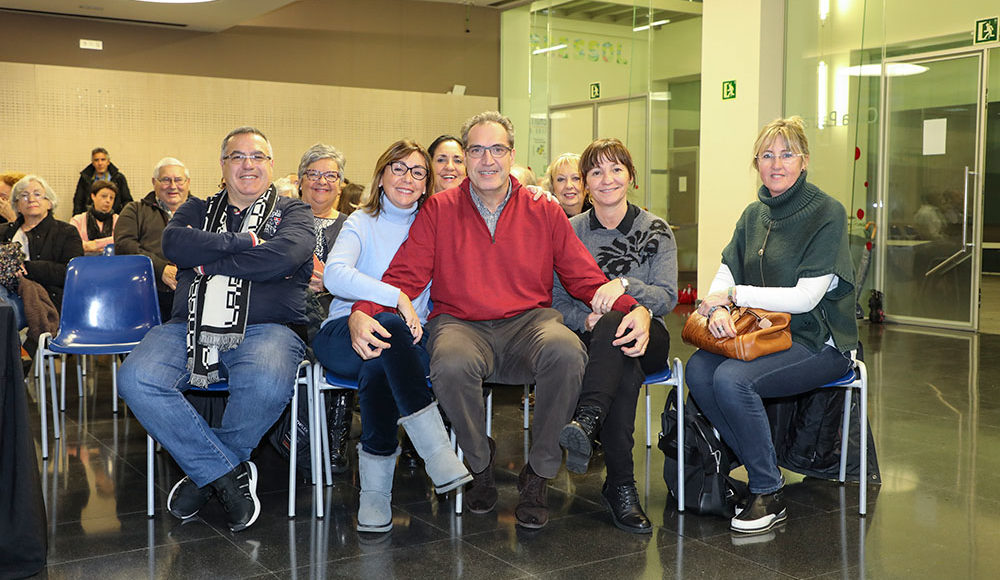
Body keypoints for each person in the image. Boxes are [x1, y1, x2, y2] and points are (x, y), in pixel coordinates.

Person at [354, 111, 652, 529]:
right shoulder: (439, 209)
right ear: (466, 157)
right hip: (460, 324)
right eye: (477, 150)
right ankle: (479, 463)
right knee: (450, 363)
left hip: (529, 323)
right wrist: (362, 311)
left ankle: (539, 475)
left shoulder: (543, 208)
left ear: (512, 155)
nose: (487, 159)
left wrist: (634, 306)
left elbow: (585, 277)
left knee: (567, 352)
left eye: (497, 149)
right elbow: (404, 276)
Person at [117, 127, 314, 533]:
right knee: (137, 378)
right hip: (188, 326)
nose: (248, 164)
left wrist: (207, 261)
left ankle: (204, 475)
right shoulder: (195, 209)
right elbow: (175, 245)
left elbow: (285, 256)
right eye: (237, 156)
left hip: (269, 328)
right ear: (223, 166)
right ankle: (225, 475)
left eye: (257, 156)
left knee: (265, 379)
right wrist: (245, 242)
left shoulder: (294, 211)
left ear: (270, 164)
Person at [685, 116, 858, 535]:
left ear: (804, 160)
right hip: (764, 335)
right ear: (756, 163)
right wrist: (719, 308)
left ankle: (767, 490)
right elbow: (726, 271)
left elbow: (806, 298)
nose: (776, 164)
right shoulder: (754, 214)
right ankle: (764, 469)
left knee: (732, 380)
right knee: (699, 370)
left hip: (819, 342)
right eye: (767, 155)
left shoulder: (827, 212)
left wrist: (736, 296)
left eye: (787, 154)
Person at [313, 139, 471, 533]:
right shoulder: (361, 222)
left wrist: (393, 309)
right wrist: (395, 296)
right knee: (389, 330)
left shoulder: (435, 224)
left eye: (418, 172)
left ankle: (376, 493)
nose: (407, 178)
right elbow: (335, 275)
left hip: (409, 341)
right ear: (381, 175)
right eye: (398, 168)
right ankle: (435, 451)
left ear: (426, 183)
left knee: (384, 353)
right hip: (345, 331)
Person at [553, 138, 677, 533]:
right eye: (596, 171)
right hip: (591, 338)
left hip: (649, 334)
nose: (607, 179)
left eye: (616, 169)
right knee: (619, 357)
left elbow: (667, 296)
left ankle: (588, 420)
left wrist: (626, 286)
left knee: (618, 333)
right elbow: (554, 300)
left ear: (631, 176)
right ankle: (621, 486)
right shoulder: (569, 231)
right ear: (586, 183)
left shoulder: (656, 230)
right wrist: (586, 320)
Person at [295, 143, 353, 473]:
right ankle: (301, 439)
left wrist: (330, 282)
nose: (322, 181)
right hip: (292, 308)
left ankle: (335, 438)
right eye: (314, 174)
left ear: (341, 185)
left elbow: (362, 274)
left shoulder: (353, 224)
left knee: (346, 330)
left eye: (331, 175)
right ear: (301, 180)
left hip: (338, 307)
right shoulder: (283, 219)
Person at [0, 175, 84, 340]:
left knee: (4, 313)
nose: (31, 199)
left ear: (49, 202)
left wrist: (28, 268)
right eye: (24, 195)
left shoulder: (66, 232)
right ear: (17, 205)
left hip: (42, 298)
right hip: (5, 291)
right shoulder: (3, 231)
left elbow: (71, 273)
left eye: (37, 194)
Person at [114, 157, 191, 322]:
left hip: (193, 292)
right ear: (154, 182)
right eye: (166, 180)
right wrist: (160, 269)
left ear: (188, 183)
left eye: (178, 180)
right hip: (146, 292)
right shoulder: (134, 210)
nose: (173, 186)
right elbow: (124, 245)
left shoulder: (204, 212)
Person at [73, 147, 132, 215]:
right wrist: (77, 217)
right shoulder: (85, 178)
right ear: (93, 163)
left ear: (108, 162)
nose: (100, 163)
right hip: (90, 216)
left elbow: (127, 201)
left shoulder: (118, 178)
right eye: (96, 160)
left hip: (113, 216)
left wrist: (124, 217)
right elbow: (78, 201)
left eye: (103, 160)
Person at [70, 180, 118, 255]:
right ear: (93, 196)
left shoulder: (119, 220)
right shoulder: (77, 220)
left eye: (111, 198)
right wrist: (108, 242)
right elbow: (73, 243)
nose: (108, 201)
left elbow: (122, 240)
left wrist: (95, 244)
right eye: (104, 196)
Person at [544, 153, 591, 217]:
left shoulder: (600, 214)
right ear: (552, 186)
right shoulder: (545, 216)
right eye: (561, 179)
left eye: (576, 178)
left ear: (587, 184)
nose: (568, 186)